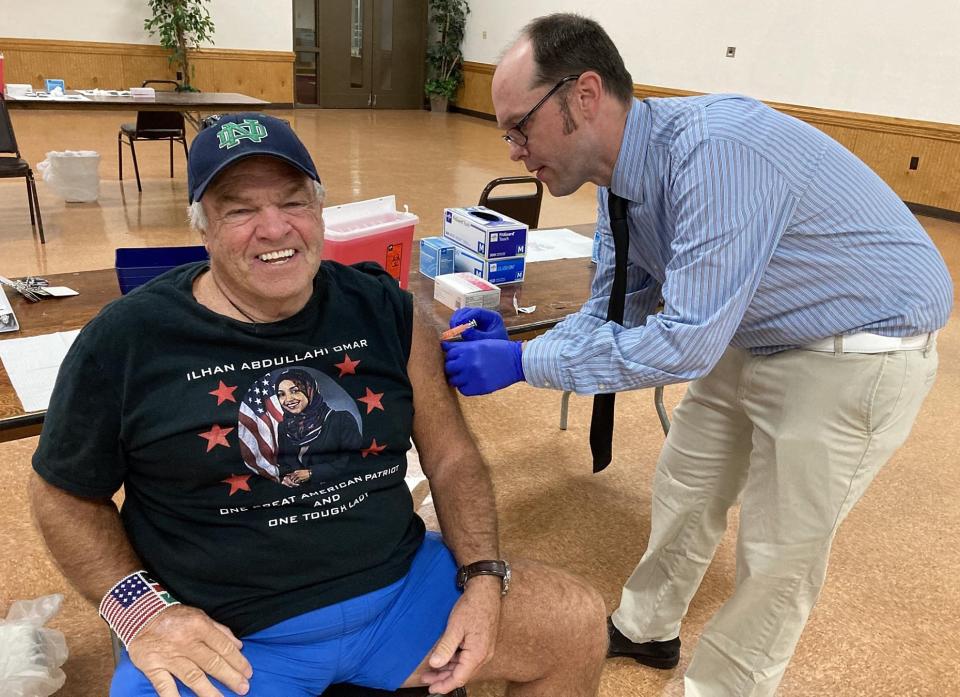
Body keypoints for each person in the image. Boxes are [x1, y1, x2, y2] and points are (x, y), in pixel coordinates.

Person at [442, 13, 953, 697]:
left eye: (519, 126)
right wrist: (516, 344)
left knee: (778, 555)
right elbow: (612, 311)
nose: (511, 149)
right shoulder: (622, 182)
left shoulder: (716, 155)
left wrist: (519, 368)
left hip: (856, 348)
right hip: (755, 332)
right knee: (687, 483)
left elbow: (681, 343)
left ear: (584, 96)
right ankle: (649, 626)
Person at [29, 112, 608, 697]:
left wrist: (483, 577)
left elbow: (452, 457)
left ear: (321, 211)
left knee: (575, 623)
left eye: (293, 202)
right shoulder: (128, 338)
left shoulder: (384, 309)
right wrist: (143, 613)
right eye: (239, 210)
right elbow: (62, 492)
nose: (275, 228)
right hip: (232, 635)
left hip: (401, 593)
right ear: (201, 228)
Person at [273, 367, 362, 487]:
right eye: (281, 394)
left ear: (310, 390)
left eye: (295, 391)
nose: (288, 399)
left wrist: (312, 473)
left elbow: (352, 462)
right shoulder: (284, 427)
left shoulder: (341, 420)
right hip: (299, 495)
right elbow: (284, 462)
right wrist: (285, 477)